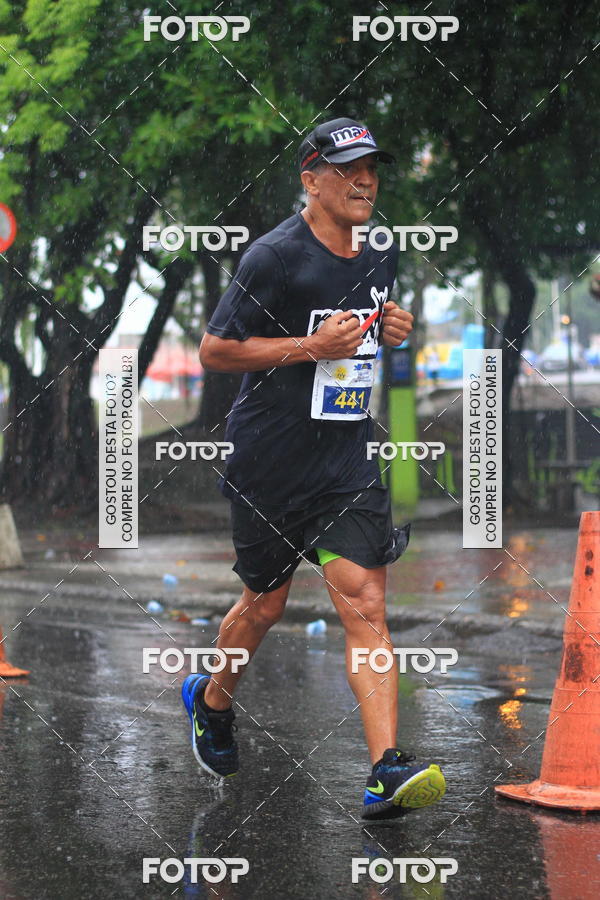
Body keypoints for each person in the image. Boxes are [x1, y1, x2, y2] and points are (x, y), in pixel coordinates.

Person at [181, 117, 446, 820]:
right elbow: (214, 350)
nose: (365, 181)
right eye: (349, 169)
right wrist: (307, 346)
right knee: (264, 605)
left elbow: (369, 325)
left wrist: (394, 329)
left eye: (372, 169)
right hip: (270, 456)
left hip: (346, 453)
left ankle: (385, 770)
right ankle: (211, 699)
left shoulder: (381, 250)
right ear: (311, 178)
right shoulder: (272, 257)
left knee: (364, 602)